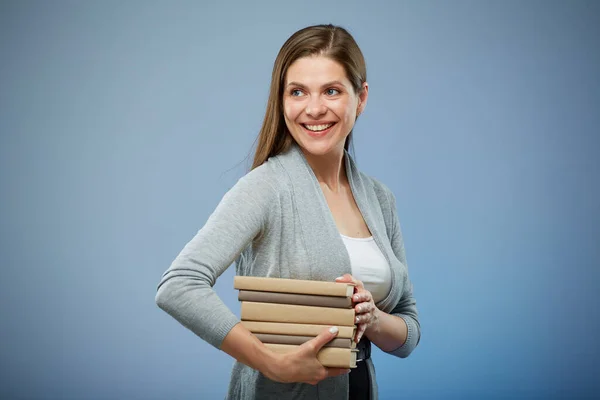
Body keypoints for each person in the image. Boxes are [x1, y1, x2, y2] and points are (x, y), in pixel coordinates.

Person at [156, 24, 420, 400]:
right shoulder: (266, 188)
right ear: (281, 101)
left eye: (331, 90)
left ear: (360, 98)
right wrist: (269, 362)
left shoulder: (380, 199)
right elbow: (178, 286)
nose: (314, 109)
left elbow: (408, 334)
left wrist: (371, 318)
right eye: (298, 92)